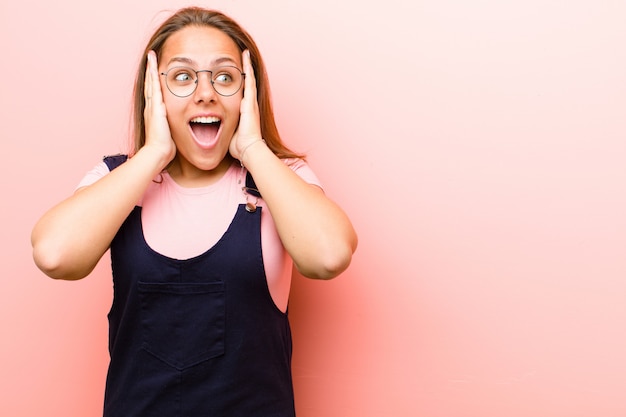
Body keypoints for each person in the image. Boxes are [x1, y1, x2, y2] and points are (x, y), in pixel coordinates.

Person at [31, 6, 357, 416]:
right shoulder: (118, 178)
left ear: (248, 93)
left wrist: (254, 149)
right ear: (155, 92)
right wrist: (153, 152)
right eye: (183, 77)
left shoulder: (279, 178)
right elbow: (54, 256)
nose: (206, 93)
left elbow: (329, 256)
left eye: (225, 77)